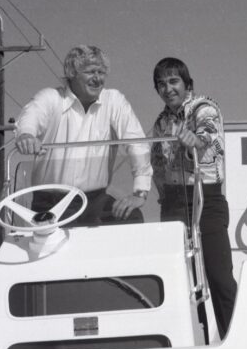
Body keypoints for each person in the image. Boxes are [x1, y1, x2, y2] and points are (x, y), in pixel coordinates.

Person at [15, 45, 152, 225]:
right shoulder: (51, 97)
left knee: (132, 218)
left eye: (101, 72)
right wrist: (26, 135)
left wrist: (140, 192)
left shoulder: (114, 100)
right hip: (51, 203)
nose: (97, 79)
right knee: (50, 249)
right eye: (90, 72)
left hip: (95, 201)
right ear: (72, 73)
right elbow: (30, 117)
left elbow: (137, 143)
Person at [151, 57, 237, 339]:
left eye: (173, 81)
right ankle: (193, 343)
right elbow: (157, 164)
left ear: (188, 85)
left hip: (205, 198)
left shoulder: (204, 109)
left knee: (219, 277)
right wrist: (162, 194)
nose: (168, 89)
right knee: (183, 282)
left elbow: (208, 140)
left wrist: (194, 143)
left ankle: (234, 339)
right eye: (161, 84)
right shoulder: (160, 122)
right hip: (174, 202)